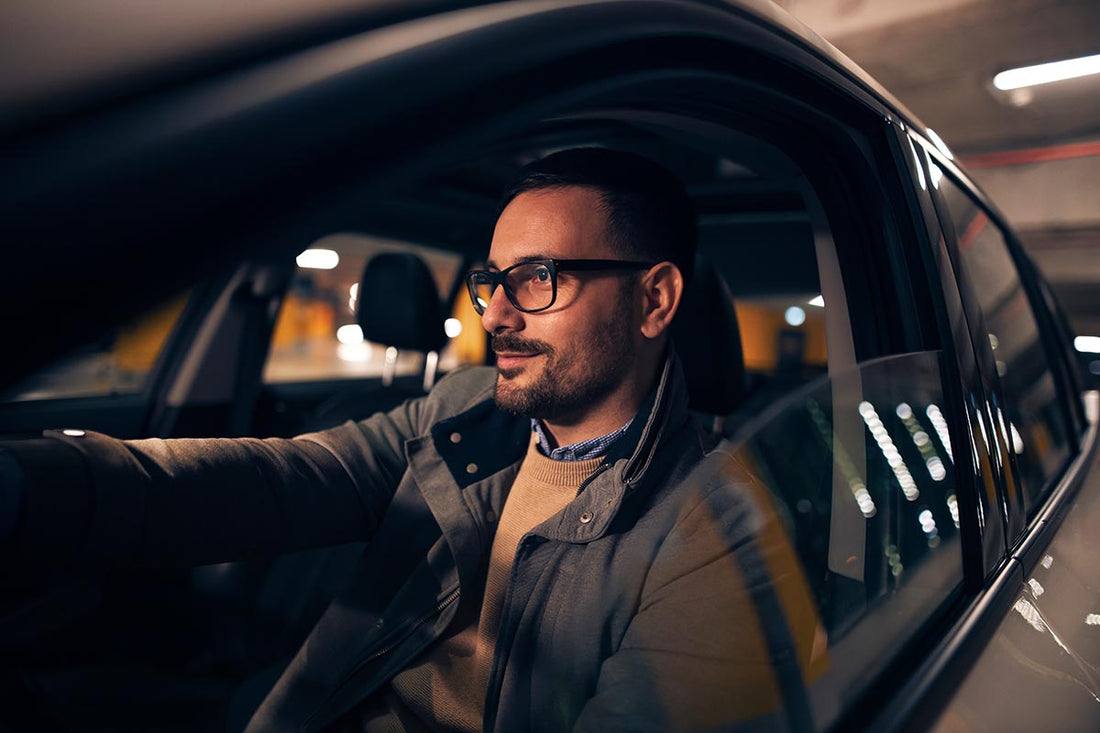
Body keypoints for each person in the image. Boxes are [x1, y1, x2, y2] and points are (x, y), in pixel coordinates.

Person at [0, 148, 822, 732]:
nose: (494, 313)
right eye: (493, 281)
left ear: (654, 301)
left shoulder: (714, 533)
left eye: (537, 280)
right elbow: (284, 477)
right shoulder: (468, 412)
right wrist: (36, 480)